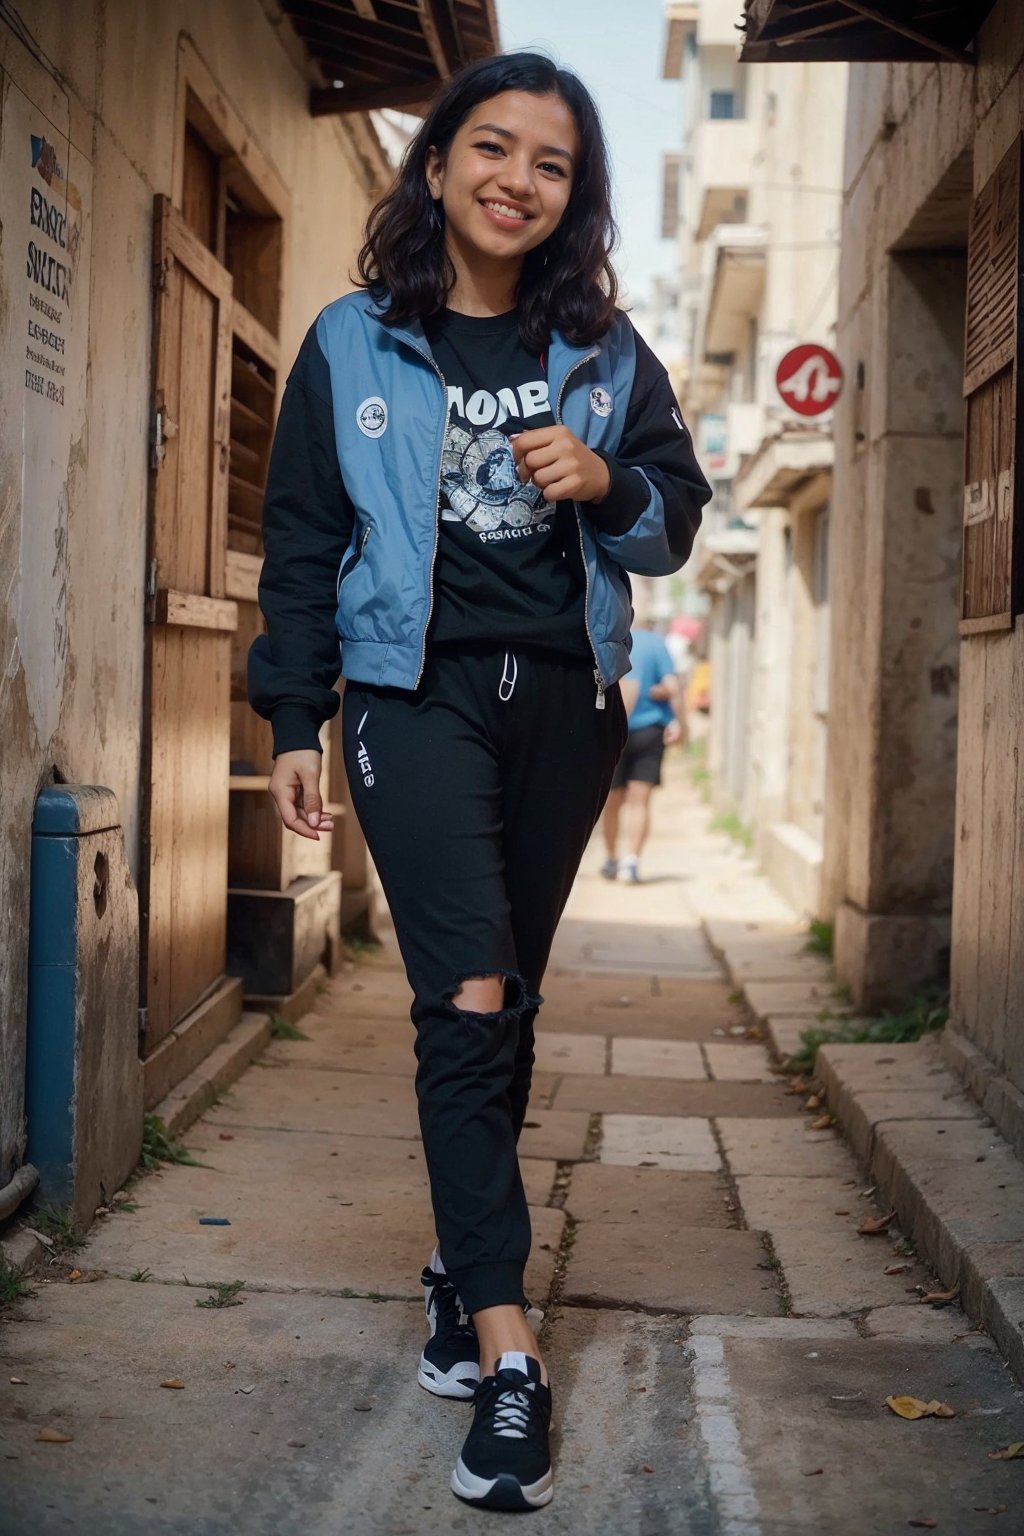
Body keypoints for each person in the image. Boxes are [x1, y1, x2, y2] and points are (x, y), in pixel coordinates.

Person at [248, 50, 710, 1514]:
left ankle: (459, 1270)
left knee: (508, 996)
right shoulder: (352, 343)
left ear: (576, 199)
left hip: (565, 710)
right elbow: (305, 542)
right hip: (413, 698)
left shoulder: (609, 354)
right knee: (471, 994)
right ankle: (511, 1356)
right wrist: (292, 723)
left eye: (552, 163)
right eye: (492, 148)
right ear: (438, 164)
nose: (518, 178)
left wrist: (609, 482)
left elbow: (673, 524)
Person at [601, 621, 683, 885]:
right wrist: (680, 722)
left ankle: (611, 859)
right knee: (640, 802)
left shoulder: (611, 639)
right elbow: (673, 688)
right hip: (650, 731)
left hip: (616, 732)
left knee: (611, 803)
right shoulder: (658, 644)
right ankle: (631, 863)